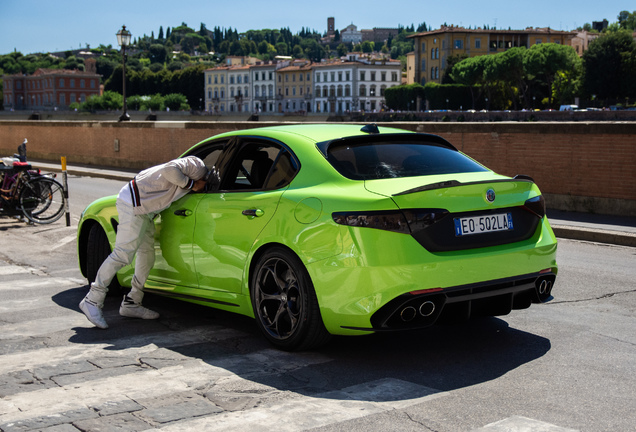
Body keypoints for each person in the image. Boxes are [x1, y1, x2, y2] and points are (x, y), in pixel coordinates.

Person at [79, 156, 209, 329]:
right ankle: (92, 299)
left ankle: (132, 302)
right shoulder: (196, 164)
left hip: (144, 207)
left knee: (147, 256)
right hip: (133, 203)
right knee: (123, 254)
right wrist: (192, 185)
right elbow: (168, 170)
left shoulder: (198, 171)